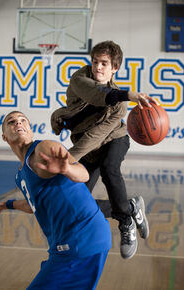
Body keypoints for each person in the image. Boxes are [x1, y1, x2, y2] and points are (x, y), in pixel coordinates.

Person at [51, 40, 159, 259]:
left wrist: (68, 159)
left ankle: (126, 222)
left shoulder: (120, 104)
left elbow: (96, 136)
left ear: (114, 68)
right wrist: (58, 117)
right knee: (78, 204)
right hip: (89, 148)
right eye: (95, 62)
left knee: (110, 169)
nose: (98, 67)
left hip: (114, 140)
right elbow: (95, 94)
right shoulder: (80, 78)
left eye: (104, 63)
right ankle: (129, 206)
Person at [0, 111, 112, 290]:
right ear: (4, 136)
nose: (18, 123)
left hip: (81, 240)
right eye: (11, 122)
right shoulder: (20, 174)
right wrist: (7, 204)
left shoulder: (44, 149)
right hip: (67, 245)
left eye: (23, 120)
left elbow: (84, 174)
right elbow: (34, 205)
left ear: (30, 130)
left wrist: (67, 170)